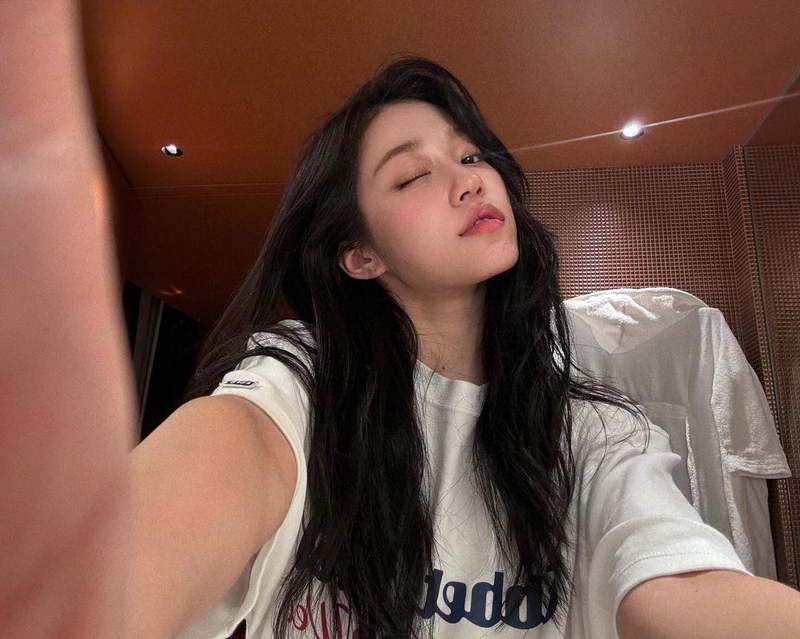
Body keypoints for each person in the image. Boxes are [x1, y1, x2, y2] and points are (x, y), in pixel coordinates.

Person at [126, 58, 800, 638]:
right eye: (412, 175)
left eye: (471, 156)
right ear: (360, 254)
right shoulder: (302, 384)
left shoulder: (592, 431)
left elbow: (675, 590)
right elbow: (135, 554)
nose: (471, 180)